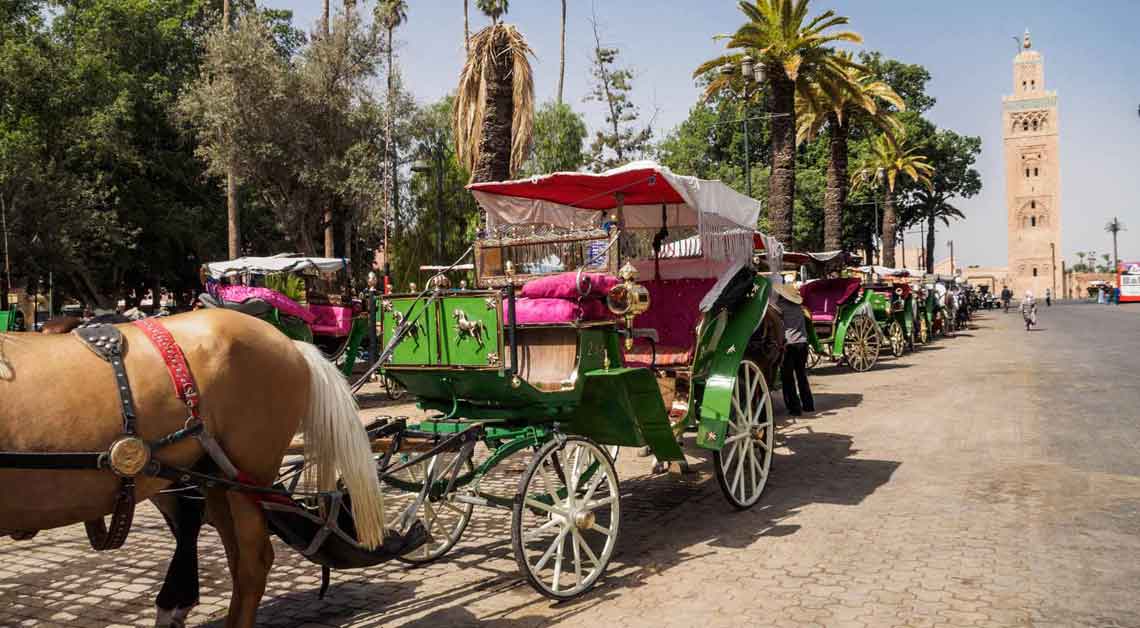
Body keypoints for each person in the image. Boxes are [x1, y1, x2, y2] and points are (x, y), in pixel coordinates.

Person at [774, 282, 814, 416]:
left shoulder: (780, 308)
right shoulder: (799, 308)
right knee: (801, 375)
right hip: (802, 344)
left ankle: (794, 408)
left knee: (788, 377)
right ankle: (808, 405)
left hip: (789, 345)